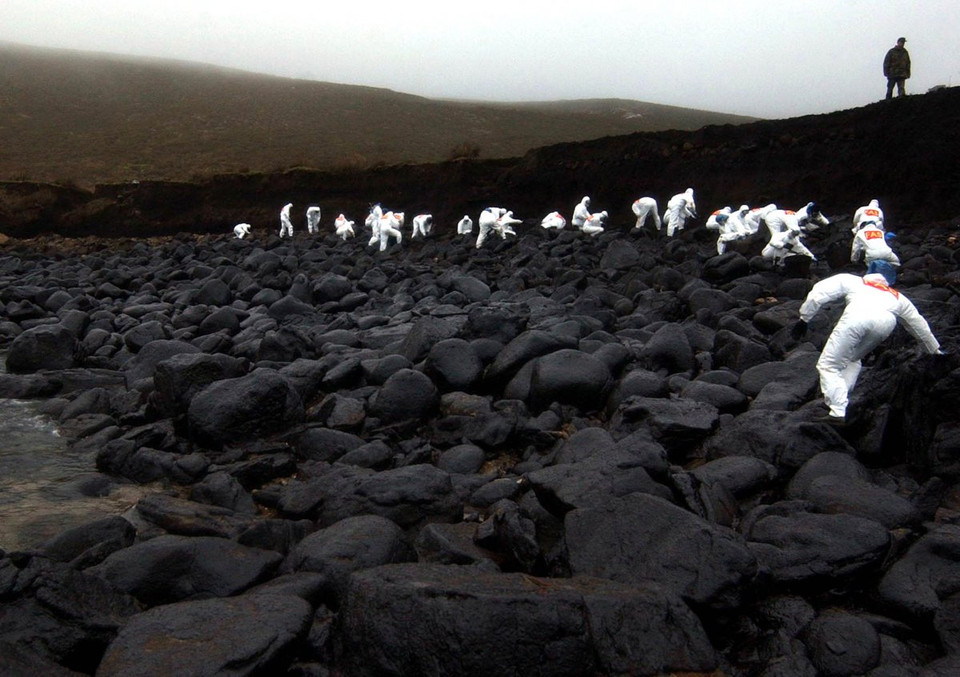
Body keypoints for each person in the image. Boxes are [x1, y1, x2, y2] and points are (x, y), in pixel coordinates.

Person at [794, 260, 941, 424]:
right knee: (852, 359)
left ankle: (837, 411)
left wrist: (804, 318)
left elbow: (819, 293)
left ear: (869, 272)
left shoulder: (852, 280)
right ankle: (842, 399)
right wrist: (935, 351)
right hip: (886, 322)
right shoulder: (898, 296)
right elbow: (919, 326)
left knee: (828, 364)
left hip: (857, 316)